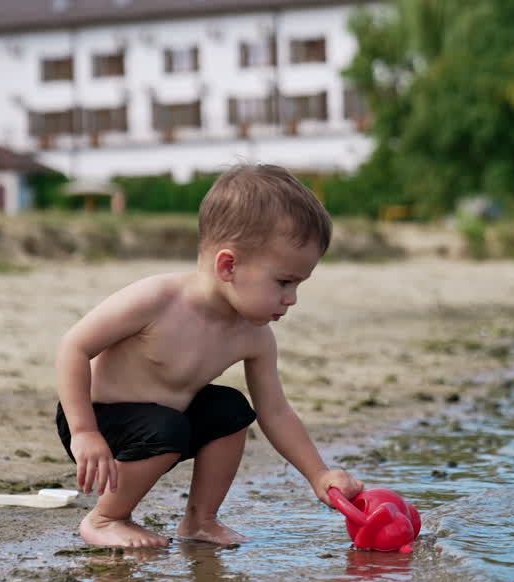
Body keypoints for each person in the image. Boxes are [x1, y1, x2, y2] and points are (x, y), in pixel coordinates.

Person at [54, 163, 364, 548]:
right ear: (228, 265)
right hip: (98, 420)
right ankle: (105, 518)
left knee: (231, 408)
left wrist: (319, 474)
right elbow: (74, 346)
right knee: (167, 427)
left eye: (298, 284)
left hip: (168, 422)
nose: (292, 298)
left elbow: (276, 411)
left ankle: (200, 520)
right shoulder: (158, 300)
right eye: (283, 282)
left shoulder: (255, 335)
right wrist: (84, 432)